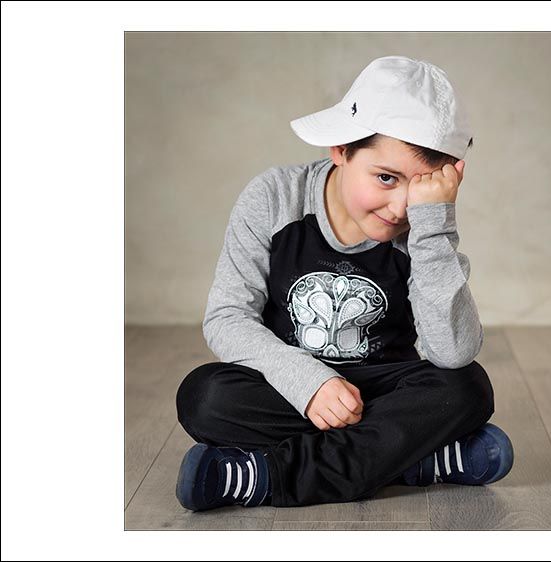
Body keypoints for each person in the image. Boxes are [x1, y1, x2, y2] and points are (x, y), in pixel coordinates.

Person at [175, 55, 514, 511]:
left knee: (467, 387)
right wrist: (308, 383)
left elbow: (451, 352)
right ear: (341, 148)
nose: (400, 208)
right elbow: (227, 317)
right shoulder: (274, 197)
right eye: (386, 178)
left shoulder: (424, 228)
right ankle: (410, 459)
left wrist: (434, 226)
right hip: (287, 385)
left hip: (382, 389)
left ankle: (262, 477)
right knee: (205, 397)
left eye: (419, 188)